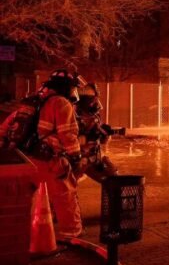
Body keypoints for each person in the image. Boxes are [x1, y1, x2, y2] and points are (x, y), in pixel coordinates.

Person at [28, 69, 85, 240]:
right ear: (66, 88)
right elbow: (67, 134)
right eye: (73, 88)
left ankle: (34, 232)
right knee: (65, 195)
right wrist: (76, 157)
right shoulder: (61, 103)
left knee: (36, 197)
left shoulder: (38, 100)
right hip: (52, 159)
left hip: (32, 157)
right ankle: (71, 235)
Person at [75, 82, 118, 183]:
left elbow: (102, 142)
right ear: (85, 101)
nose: (96, 103)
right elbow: (69, 142)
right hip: (78, 161)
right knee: (67, 190)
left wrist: (105, 135)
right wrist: (88, 137)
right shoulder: (73, 116)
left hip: (93, 160)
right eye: (93, 100)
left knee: (114, 179)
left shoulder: (95, 116)